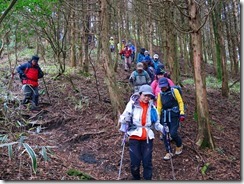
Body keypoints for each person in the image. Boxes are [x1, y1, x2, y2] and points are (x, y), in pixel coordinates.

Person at [119, 84, 164, 180]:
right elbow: (122, 118)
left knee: (147, 162)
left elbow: (156, 124)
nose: (147, 98)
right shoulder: (132, 105)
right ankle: (136, 179)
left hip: (148, 138)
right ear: (140, 94)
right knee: (135, 163)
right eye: (145, 95)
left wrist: (163, 129)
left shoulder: (152, 108)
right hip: (134, 136)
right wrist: (125, 119)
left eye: (149, 96)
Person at [156, 77, 185, 160]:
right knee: (165, 134)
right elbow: (159, 106)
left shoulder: (174, 91)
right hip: (164, 115)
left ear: (168, 85)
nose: (163, 88)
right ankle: (168, 151)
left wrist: (182, 112)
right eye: (162, 86)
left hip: (174, 115)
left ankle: (179, 145)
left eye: (164, 86)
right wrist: (158, 117)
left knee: (173, 133)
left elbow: (180, 102)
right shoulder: (160, 94)